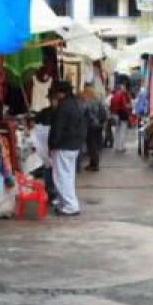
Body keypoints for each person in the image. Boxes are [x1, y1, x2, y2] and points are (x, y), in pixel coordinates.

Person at [48, 81, 85, 216]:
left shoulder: (63, 107)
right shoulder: (76, 104)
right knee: (68, 176)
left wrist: (52, 144)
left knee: (61, 177)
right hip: (74, 146)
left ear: (60, 93)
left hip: (63, 146)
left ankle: (70, 206)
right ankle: (67, 203)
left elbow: (58, 128)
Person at [81, 86, 108, 172]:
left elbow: (83, 112)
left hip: (91, 125)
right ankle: (93, 163)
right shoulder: (98, 101)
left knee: (91, 145)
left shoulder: (88, 102)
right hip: (98, 126)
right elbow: (104, 113)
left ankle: (94, 164)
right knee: (95, 144)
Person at [109, 84, 133, 154]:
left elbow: (111, 105)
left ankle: (116, 146)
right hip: (123, 114)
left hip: (115, 114)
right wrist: (129, 107)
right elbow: (125, 105)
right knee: (123, 131)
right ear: (121, 89)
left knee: (117, 131)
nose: (125, 89)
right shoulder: (123, 95)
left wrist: (113, 113)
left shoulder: (114, 95)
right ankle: (121, 147)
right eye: (124, 88)